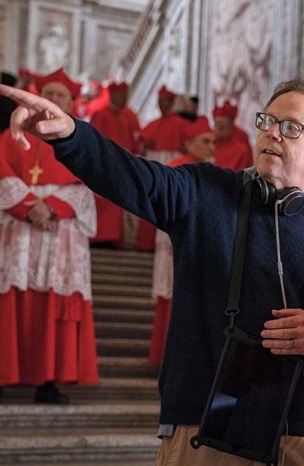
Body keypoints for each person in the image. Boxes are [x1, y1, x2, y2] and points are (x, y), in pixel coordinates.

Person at [0, 76, 304, 465]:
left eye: (290, 127)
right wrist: (70, 134)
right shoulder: (202, 193)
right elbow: (132, 177)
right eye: (267, 121)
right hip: (204, 430)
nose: (272, 133)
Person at [0, 68, 99, 404]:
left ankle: (47, 381)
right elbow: (1, 175)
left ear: (71, 101)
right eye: (47, 91)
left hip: (59, 233)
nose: (52, 98)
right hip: (18, 231)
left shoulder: (83, 137)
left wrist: (51, 207)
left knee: (53, 305)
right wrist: (28, 206)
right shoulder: (14, 133)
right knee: (7, 302)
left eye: (60, 94)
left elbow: (89, 185)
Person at [148, 116, 215, 365]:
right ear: (189, 143)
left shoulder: (210, 170)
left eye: (213, 142)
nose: (211, 146)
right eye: (205, 141)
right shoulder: (178, 167)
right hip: (178, 247)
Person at [136, 85, 193, 251]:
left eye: (165, 102)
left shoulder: (181, 124)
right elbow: (141, 144)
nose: (162, 105)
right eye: (159, 101)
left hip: (173, 164)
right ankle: (145, 243)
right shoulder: (153, 124)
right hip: (153, 162)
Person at [89, 81, 141, 248]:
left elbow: (135, 139)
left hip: (126, 163)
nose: (124, 99)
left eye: (125, 95)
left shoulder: (130, 115)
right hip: (106, 163)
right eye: (120, 95)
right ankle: (102, 237)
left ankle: (119, 238)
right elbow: (94, 139)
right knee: (106, 202)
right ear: (112, 95)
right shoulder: (100, 115)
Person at [212, 101, 253, 170]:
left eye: (224, 124)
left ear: (231, 125)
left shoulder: (241, 148)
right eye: (217, 123)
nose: (220, 127)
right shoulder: (208, 142)